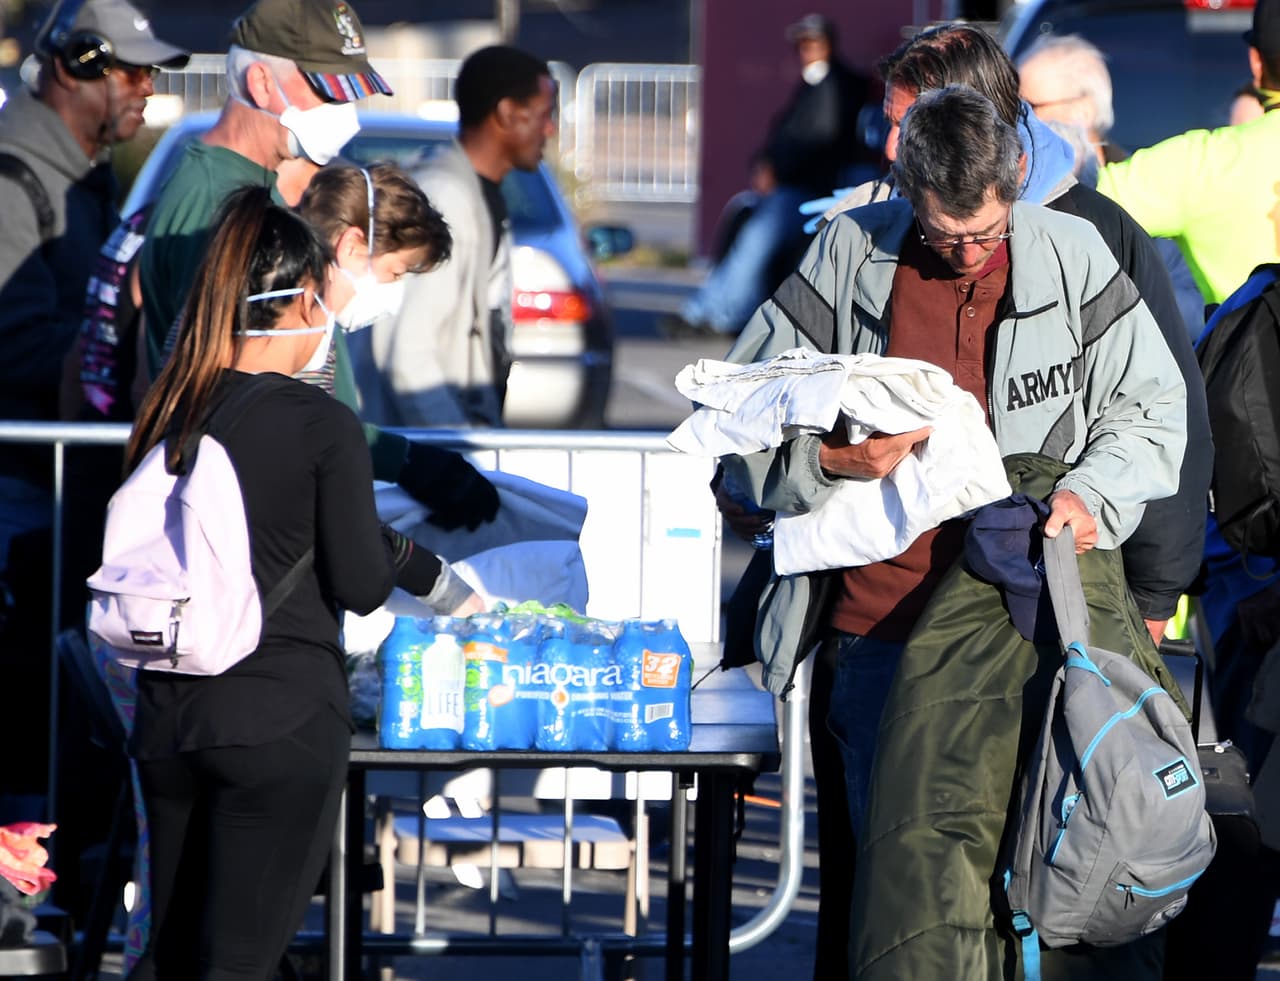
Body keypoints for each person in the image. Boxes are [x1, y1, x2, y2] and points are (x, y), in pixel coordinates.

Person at [725, 83, 1186, 979]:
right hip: (881, 639)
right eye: (947, 236)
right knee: (912, 920)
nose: (971, 253)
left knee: (1046, 910)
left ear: (1017, 177)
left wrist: (1094, 493)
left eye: (988, 230)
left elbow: (1154, 410)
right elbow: (740, 416)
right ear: (904, 187)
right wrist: (832, 463)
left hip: (1029, 641)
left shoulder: (1075, 253)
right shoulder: (848, 254)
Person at [122, 185, 476, 981]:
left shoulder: (173, 401)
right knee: (243, 959)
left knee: (167, 952)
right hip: (279, 714)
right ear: (301, 300)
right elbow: (356, 581)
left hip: (170, 712)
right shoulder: (322, 423)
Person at [136, 0, 499, 531]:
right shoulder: (223, 206)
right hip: (239, 525)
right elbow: (243, 398)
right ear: (262, 83)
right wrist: (403, 464)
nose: (346, 114)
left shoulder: (252, 194)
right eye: (329, 92)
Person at [355, 45, 556, 427]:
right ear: (506, 114)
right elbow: (408, 356)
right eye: (544, 114)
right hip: (432, 456)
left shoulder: (478, 193)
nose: (551, 129)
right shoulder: (446, 198)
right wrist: (458, 456)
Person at [661, 13, 870, 339]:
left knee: (758, 237)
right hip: (792, 187)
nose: (806, 51)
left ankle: (721, 313)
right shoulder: (814, 85)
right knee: (744, 227)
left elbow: (817, 143)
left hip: (809, 192)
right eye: (802, 44)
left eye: (812, 43)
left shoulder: (834, 88)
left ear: (827, 45)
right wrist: (766, 162)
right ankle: (709, 307)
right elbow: (787, 136)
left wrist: (776, 169)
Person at [1015, 32, 1209, 341]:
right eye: (1014, 106)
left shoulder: (1146, 194)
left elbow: (1188, 312)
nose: (1019, 121)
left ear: (1084, 111)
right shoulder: (1011, 198)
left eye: (1030, 105)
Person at [1095, 0, 1280, 305]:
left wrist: (1089, 140)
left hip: (1242, 349)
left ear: (1256, 63)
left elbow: (1075, 205)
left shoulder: (1200, 163)